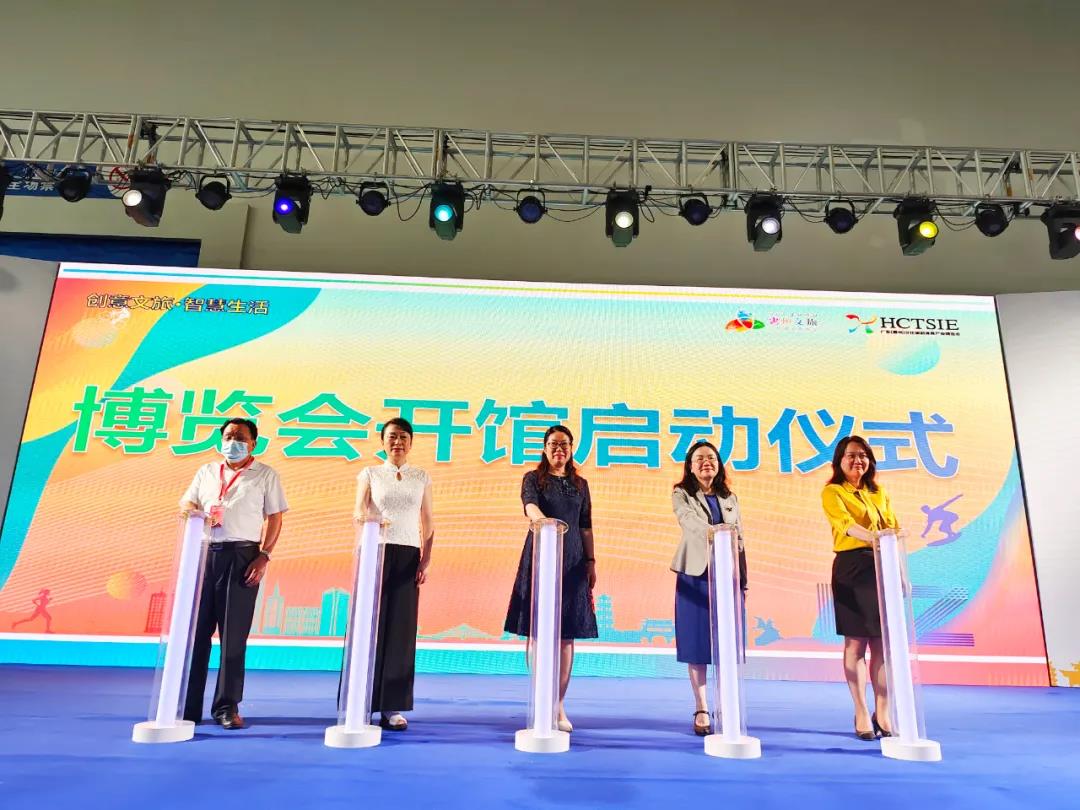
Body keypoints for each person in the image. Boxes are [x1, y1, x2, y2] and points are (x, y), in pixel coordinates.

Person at [181, 418, 287, 730]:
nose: (233, 442)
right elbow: (189, 500)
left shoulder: (265, 474)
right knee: (196, 635)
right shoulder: (207, 471)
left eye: (240, 437)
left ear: (254, 443)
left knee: (233, 637)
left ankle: (226, 707)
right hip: (204, 554)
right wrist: (190, 510)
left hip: (242, 557)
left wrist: (264, 555)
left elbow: (275, 517)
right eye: (228, 436)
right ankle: (187, 706)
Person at [504, 425, 598, 733]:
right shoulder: (534, 478)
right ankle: (541, 696)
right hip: (541, 555)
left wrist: (591, 561)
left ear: (571, 449)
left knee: (567, 634)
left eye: (565, 444)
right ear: (545, 448)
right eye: (554, 444)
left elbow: (585, 526)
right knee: (538, 631)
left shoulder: (580, 484)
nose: (559, 449)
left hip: (573, 561)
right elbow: (529, 505)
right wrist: (543, 523)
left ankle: (557, 704)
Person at [353, 417, 434, 731]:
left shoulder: (421, 476)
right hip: (376, 551)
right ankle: (361, 700)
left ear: (410, 442)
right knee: (369, 626)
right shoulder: (370, 473)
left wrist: (425, 559)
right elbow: (358, 512)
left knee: (400, 630)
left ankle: (391, 705)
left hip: (407, 555)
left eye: (403, 437)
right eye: (391, 437)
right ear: (382, 442)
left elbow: (428, 520)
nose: (397, 442)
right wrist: (373, 522)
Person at [821, 435, 903, 741]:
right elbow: (845, 525)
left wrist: (900, 572)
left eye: (863, 455)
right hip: (852, 569)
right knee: (856, 643)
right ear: (840, 461)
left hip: (883, 566)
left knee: (882, 644)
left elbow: (894, 529)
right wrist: (875, 538)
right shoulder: (833, 491)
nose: (858, 460)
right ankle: (860, 710)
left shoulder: (878, 492)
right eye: (851, 455)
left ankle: (883, 711)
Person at [670, 441, 747, 736]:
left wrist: (742, 577)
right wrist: (716, 533)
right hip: (696, 574)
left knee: (726, 641)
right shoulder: (682, 493)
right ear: (690, 466)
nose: (706, 463)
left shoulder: (729, 497)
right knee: (697, 642)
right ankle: (701, 706)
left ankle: (726, 703)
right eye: (700, 458)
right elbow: (688, 521)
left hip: (727, 576)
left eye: (711, 458)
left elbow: (740, 538)